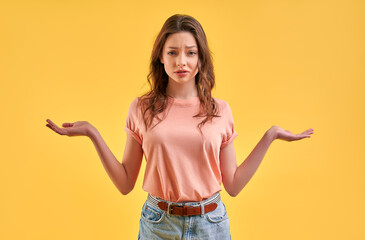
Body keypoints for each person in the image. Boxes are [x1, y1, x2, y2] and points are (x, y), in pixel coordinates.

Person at [46, 14, 314, 240]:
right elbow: (126, 182)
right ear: (161, 58)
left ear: (200, 59)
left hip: (212, 224)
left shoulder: (220, 110)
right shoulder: (142, 108)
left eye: (190, 53)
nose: (181, 62)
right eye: (172, 53)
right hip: (158, 223)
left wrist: (271, 136)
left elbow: (232, 184)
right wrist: (92, 133)